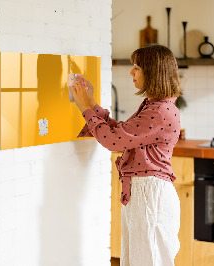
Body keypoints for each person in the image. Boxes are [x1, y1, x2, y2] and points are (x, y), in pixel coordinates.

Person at [70, 44, 182, 266]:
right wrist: (91, 103)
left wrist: (85, 108)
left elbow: (113, 141)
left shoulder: (159, 111)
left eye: (137, 67)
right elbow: (121, 133)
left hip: (150, 195)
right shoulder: (155, 106)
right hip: (145, 193)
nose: (131, 72)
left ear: (153, 72)